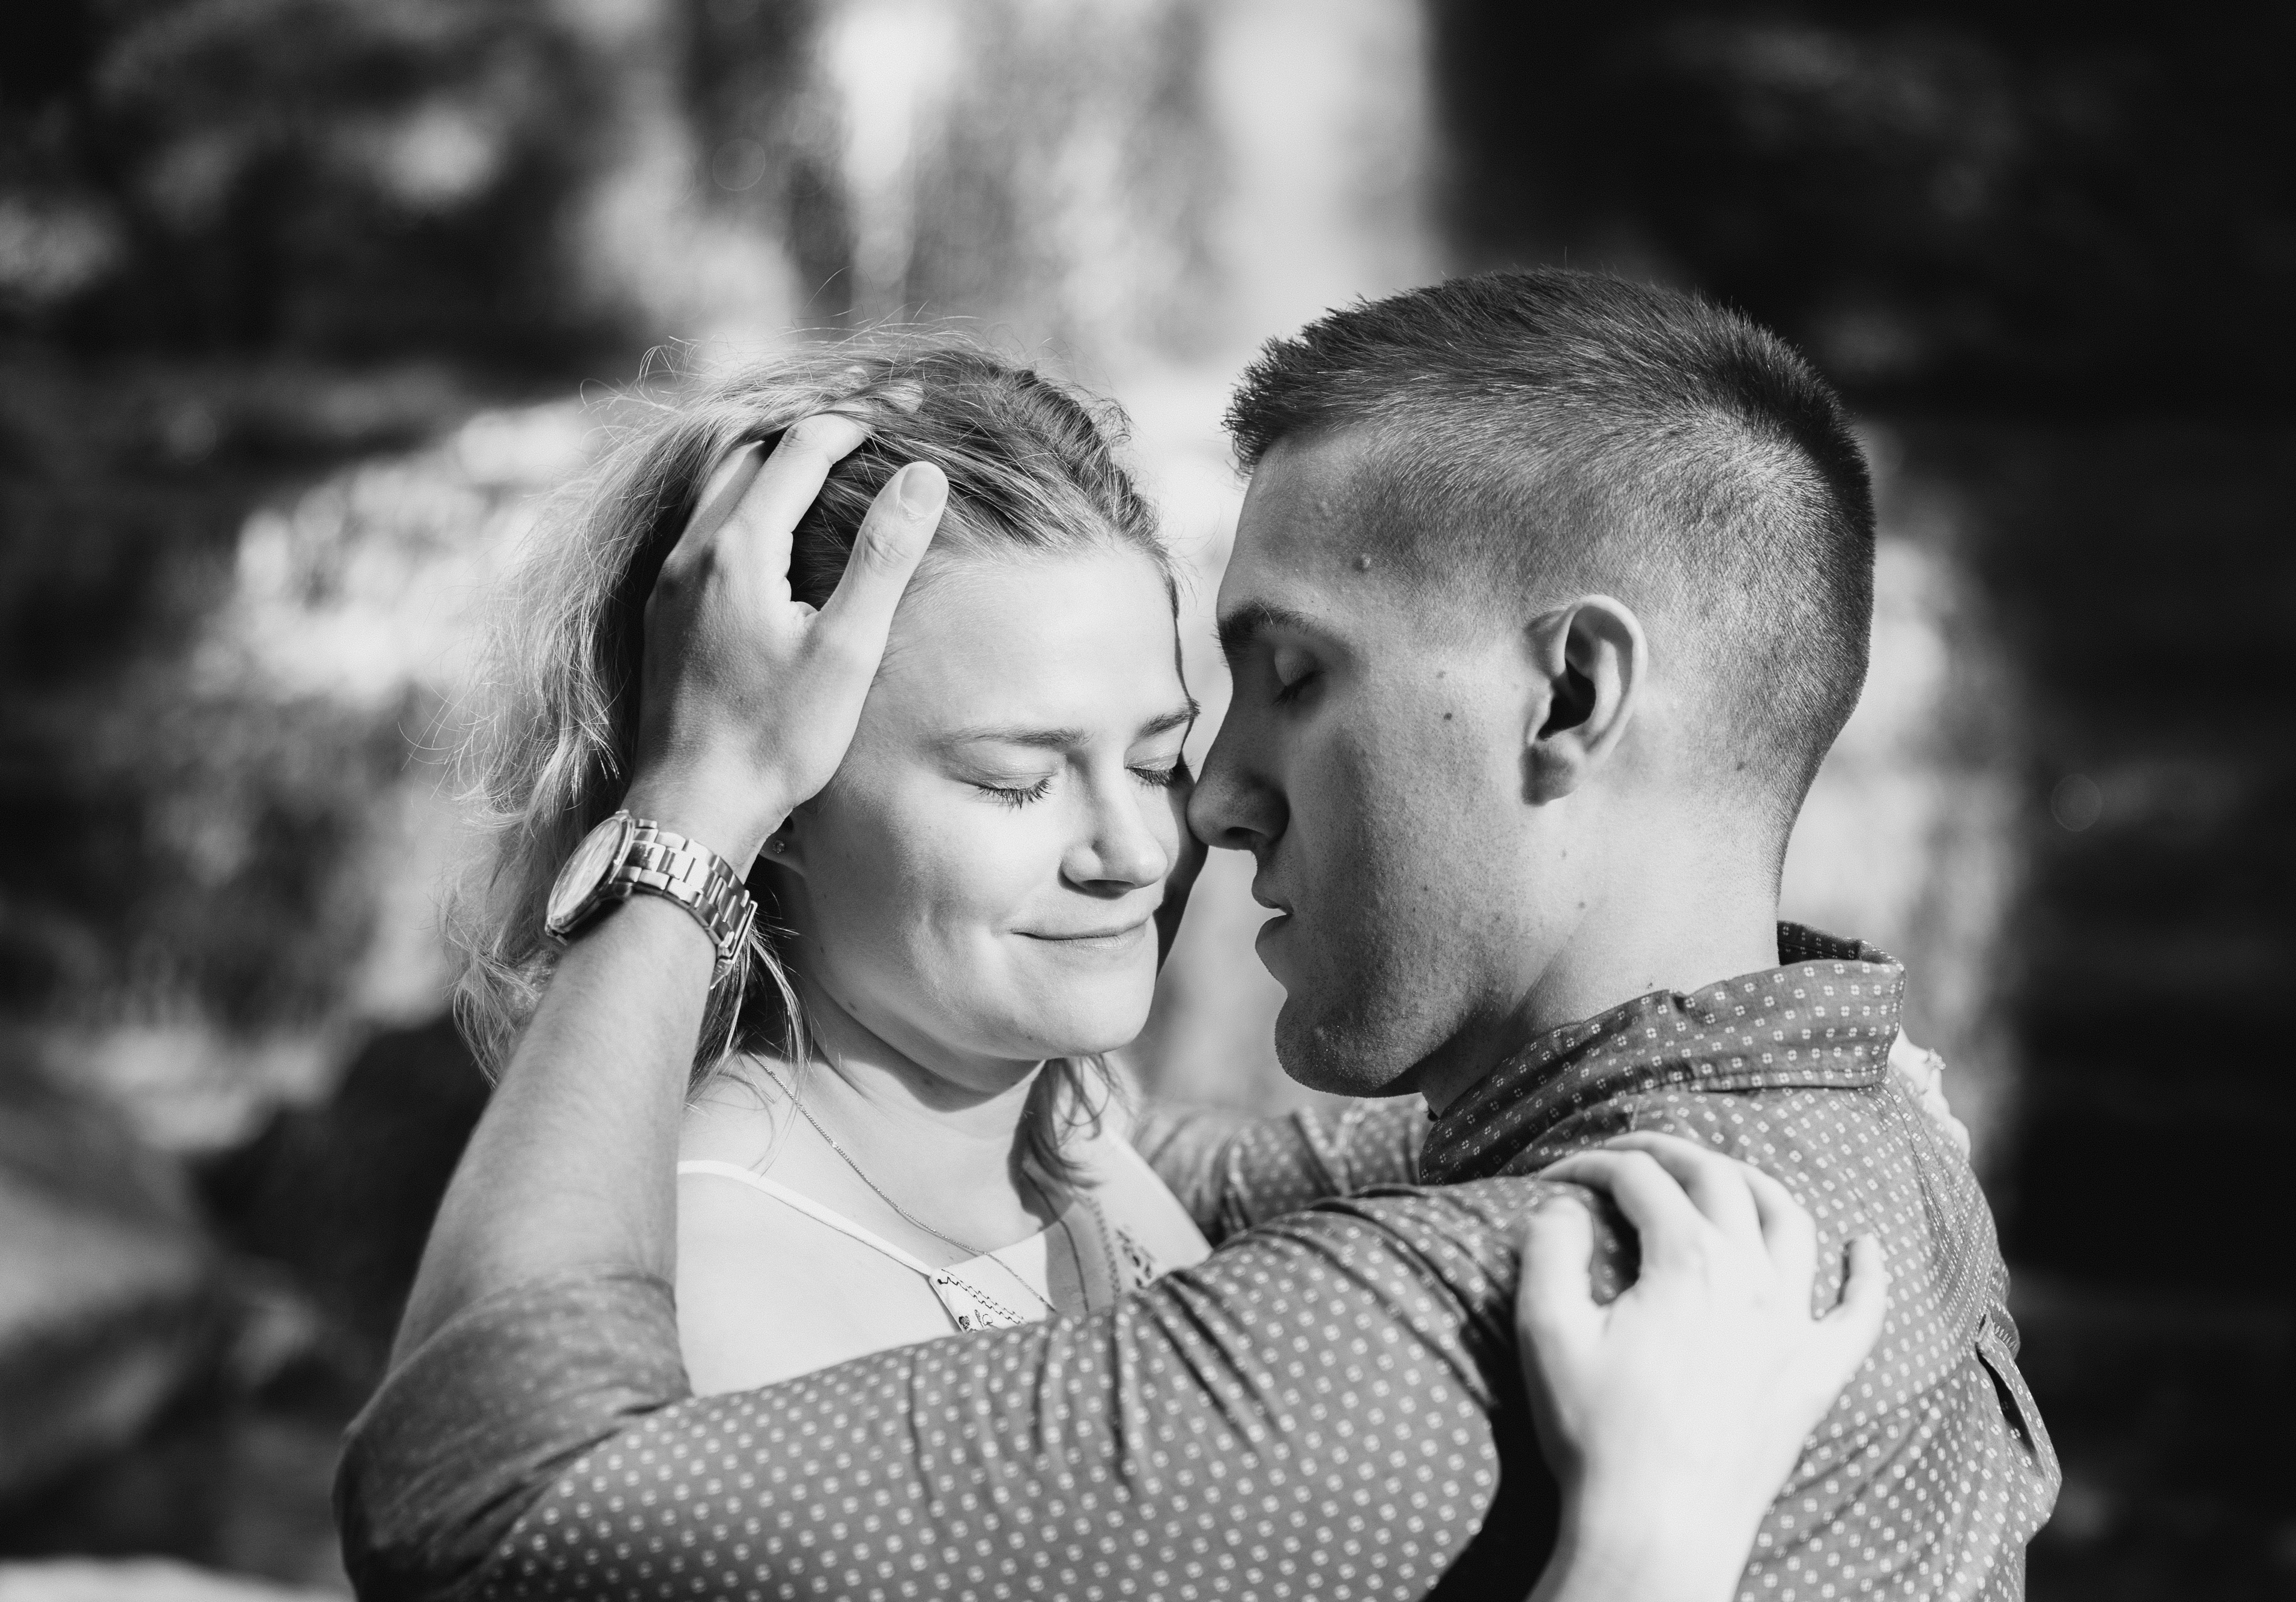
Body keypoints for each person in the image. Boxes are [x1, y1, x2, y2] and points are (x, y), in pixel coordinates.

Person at [339, 272, 2055, 1600]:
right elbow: (1268, 1164)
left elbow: (480, 1500)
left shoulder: (1447, 1325)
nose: (1190, 820)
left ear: (1577, 693)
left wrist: (682, 847)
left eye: (1273, 689)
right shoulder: (1870, 1141)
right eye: (1021, 776)